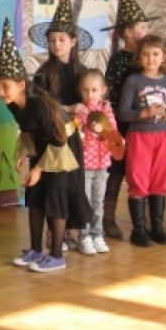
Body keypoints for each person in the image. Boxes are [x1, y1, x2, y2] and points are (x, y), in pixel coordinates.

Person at [0, 20, 90, 273]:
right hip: (42, 146)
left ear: (21, 85)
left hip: (62, 147)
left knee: (55, 197)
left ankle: (57, 255)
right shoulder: (12, 103)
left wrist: (38, 169)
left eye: (5, 86)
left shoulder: (38, 104)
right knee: (35, 196)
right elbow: (28, 131)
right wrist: (25, 154)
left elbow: (58, 139)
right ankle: (36, 250)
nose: (0, 92)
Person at [102, 0, 166, 240]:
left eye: (147, 27)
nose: (145, 31)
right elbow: (112, 92)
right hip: (124, 123)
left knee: (154, 174)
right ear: (128, 32)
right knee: (119, 171)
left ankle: (151, 224)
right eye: (141, 27)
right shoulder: (120, 61)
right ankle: (109, 218)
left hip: (153, 127)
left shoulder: (157, 67)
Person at [29, 0, 90, 251]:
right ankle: (50, 237)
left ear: (73, 41)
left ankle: (66, 235)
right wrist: (69, 107)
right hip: (48, 139)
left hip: (71, 138)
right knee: (48, 187)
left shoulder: (82, 72)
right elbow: (41, 107)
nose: (56, 44)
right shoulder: (43, 73)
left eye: (62, 39)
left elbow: (90, 102)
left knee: (67, 185)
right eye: (52, 40)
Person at [118, 35, 166, 247]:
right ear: (139, 57)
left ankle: (157, 228)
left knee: (160, 180)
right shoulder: (133, 81)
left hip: (165, 136)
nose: (150, 59)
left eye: (155, 54)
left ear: (164, 57)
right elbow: (123, 113)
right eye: (145, 54)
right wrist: (143, 113)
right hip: (139, 136)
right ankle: (138, 230)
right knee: (139, 180)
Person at [74, 69, 119, 255]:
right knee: (85, 202)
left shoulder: (107, 110)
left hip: (102, 164)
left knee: (98, 202)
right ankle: (84, 237)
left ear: (103, 90)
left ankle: (97, 234)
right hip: (85, 165)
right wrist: (85, 131)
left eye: (94, 90)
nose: (90, 94)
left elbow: (114, 135)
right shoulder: (80, 111)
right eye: (85, 90)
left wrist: (103, 130)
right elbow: (75, 134)